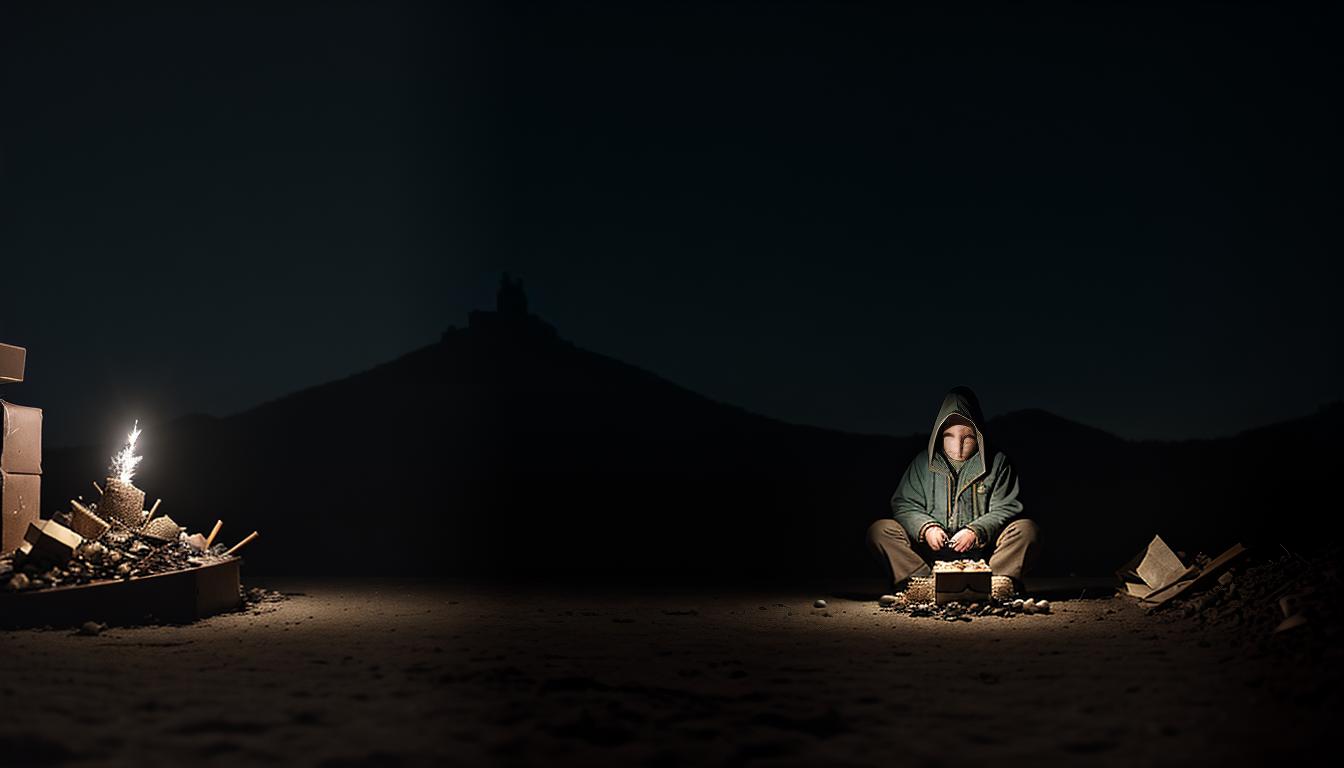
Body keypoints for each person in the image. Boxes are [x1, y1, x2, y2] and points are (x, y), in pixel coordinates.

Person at [866, 386, 1039, 594]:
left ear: (979, 435)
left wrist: (975, 531)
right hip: (930, 555)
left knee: (1027, 529)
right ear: (939, 434)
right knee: (881, 530)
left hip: (983, 555)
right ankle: (919, 585)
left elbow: (1007, 506)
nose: (958, 447)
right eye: (950, 436)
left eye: (967, 437)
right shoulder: (922, 463)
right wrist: (926, 528)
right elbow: (904, 503)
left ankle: (995, 584)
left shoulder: (998, 463)